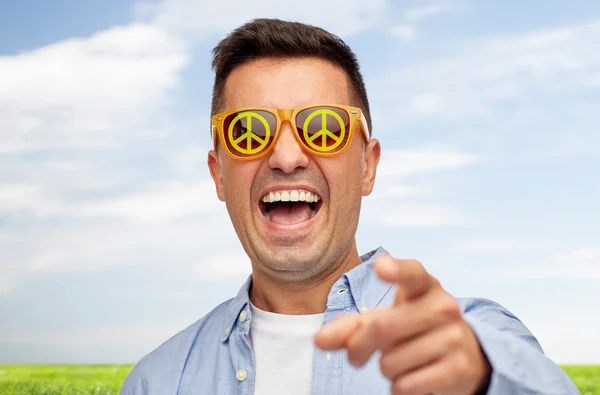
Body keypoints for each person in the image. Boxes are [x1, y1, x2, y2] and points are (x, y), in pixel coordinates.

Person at [120, 18, 579, 395]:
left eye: (323, 128)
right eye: (249, 132)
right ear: (218, 173)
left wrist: (484, 378)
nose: (285, 158)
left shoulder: (473, 340)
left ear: (368, 167)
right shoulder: (157, 380)